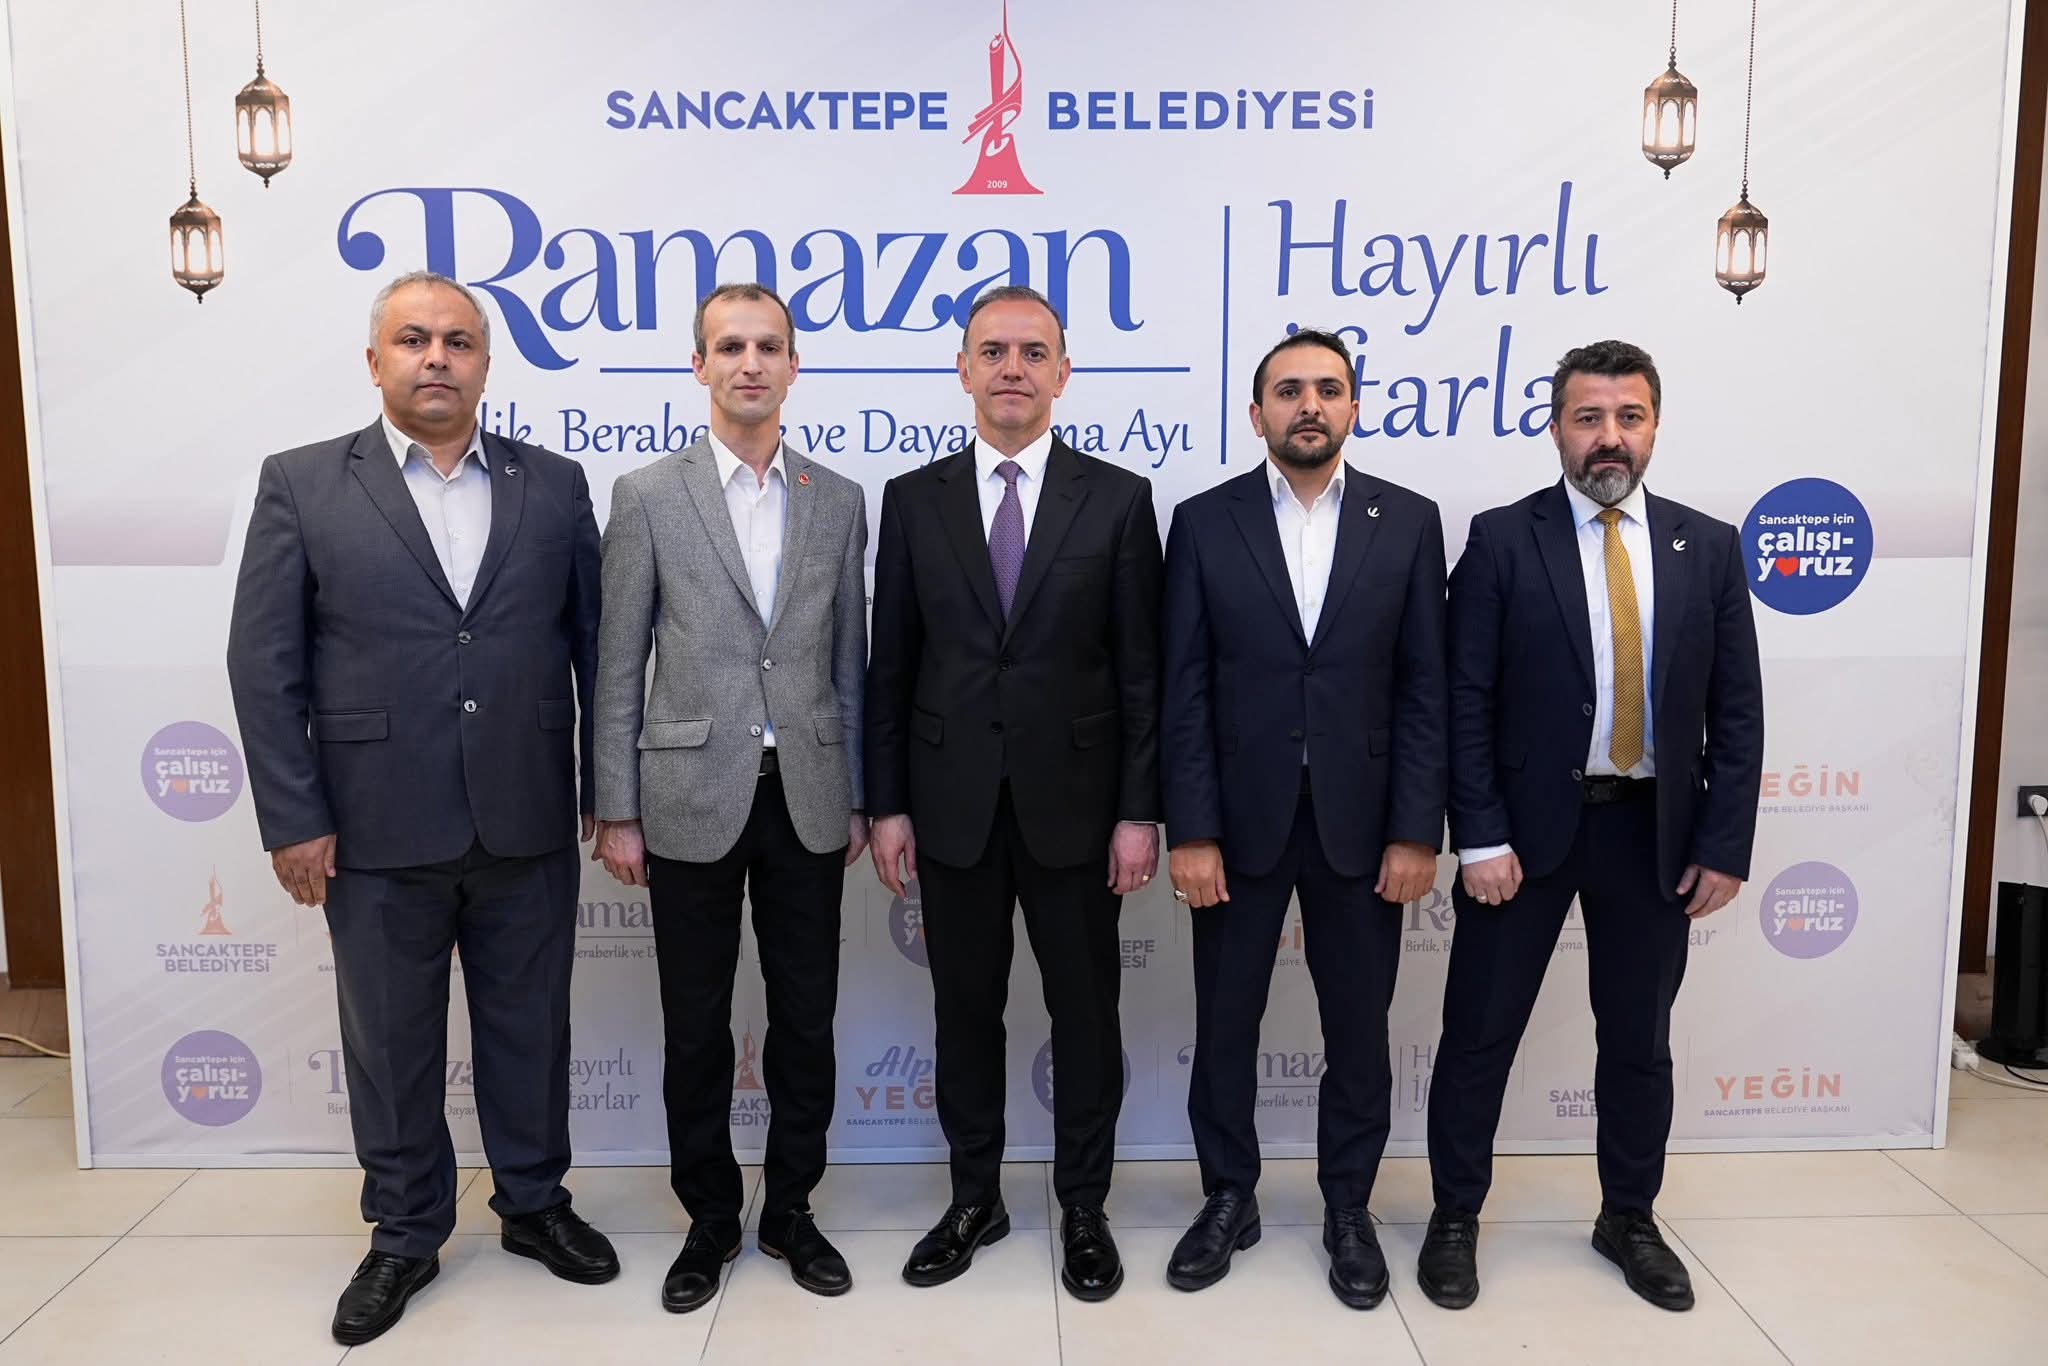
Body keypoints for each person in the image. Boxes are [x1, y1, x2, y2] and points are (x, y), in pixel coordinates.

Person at [226, 271, 614, 1347]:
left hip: (526, 812)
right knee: (391, 1042)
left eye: (457, 341)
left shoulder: (554, 483)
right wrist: (292, 815)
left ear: (486, 364)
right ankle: (404, 1232)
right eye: (412, 339)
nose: (435, 356)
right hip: (371, 821)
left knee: (531, 1028)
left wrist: (607, 791)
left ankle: (533, 1204)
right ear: (375, 361)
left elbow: (598, 650)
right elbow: (264, 663)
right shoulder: (302, 483)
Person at [1420, 339, 1764, 1312]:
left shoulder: (1708, 545)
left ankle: (1628, 1216)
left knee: (1639, 1042)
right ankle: (1454, 1214)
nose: (1608, 436)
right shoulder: (1500, 539)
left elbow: (1736, 711)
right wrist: (1479, 836)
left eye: (1628, 417)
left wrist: (1721, 844)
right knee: (1478, 1034)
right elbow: (1462, 697)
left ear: (1653, 426)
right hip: (1522, 838)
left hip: (1652, 837)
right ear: (1556, 428)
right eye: (1588, 417)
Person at [864, 285, 1162, 1302]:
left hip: (1077, 808)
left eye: (1033, 352)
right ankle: (974, 1198)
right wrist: (887, 803)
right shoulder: (913, 499)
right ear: (963, 369)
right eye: (992, 350)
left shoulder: (1117, 499)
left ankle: (1082, 1205)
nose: (1012, 369)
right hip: (949, 807)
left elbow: (1140, 673)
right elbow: (890, 665)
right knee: (964, 1012)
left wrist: (1138, 811)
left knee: (1085, 1014)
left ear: (1063, 373)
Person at [592, 282, 869, 1313]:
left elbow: (850, 661)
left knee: (806, 1020)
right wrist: (616, 807)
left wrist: (856, 795)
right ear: (699, 364)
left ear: (794, 365)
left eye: (768, 346)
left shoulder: (838, 497)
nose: (750, 363)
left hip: (807, 795)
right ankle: (710, 1218)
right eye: (730, 346)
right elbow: (618, 663)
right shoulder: (645, 494)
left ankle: (790, 1209)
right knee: (695, 1026)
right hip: (684, 796)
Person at [1160, 329, 1447, 1308]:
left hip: (1364, 827)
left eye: (1328, 388)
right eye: (1288, 391)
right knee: (1224, 1021)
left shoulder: (1408, 521)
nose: (1309, 405)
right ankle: (1227, 1196)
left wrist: (1416, 829)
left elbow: (1424, 685)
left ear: (1354, 406)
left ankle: (1347, 1206)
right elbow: (1184, 687)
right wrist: (1191, 830)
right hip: (1236, 825)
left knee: (1358, 1029)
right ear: (1257, 415)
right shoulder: (1203, 522)